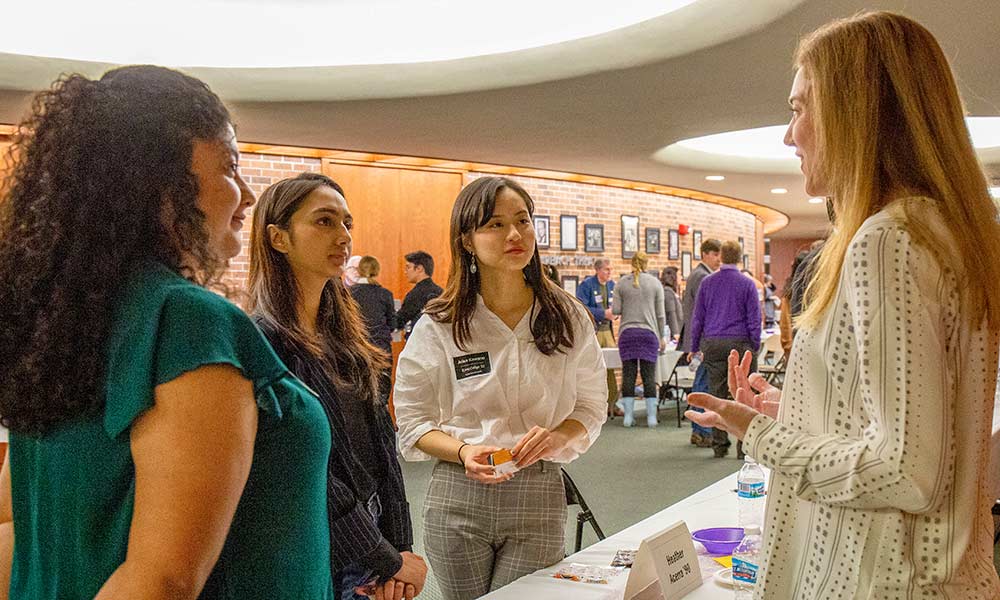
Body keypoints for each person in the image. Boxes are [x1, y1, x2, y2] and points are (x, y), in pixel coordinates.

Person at [686, 11, 1000, 598]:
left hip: (879, 578)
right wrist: (803, 409)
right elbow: (924, 426)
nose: (789, 134)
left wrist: (758, 432)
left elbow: (904, 474)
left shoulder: (887, 240)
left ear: (854, 110)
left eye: (799, 108)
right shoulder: (947, 231)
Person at [0, 66, 333, 598]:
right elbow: (162, 581)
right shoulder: (186, 320)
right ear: (156, 181)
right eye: (229, 166)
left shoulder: (63, 323)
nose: (247, 196)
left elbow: (17, 529)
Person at [393, 176, 607, 600]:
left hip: (538, 487)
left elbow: (592, 405)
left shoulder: (567, 315)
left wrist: (556, 436)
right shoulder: (440, 323)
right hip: (459, 493)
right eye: (494, 224)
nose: (515, 234)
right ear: (467, 240)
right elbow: (412, 423)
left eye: (523, 221)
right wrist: (463, 451)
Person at [248, 173, 426, 600]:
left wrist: (400, 546)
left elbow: (382, 443)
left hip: (374, 532)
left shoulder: (346, 337)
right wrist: (388, 558)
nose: (343, 236)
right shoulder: (264, 341)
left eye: (347, 223)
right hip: (320, 546)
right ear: (279, 238)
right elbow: (303, 471)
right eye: (324, 222)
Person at [689, 241, 761, 458]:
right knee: (743, 393)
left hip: (714, 343)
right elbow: (754, 318)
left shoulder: (707, 283)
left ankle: (719, 444)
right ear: (740, 258)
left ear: (720, 256)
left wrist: (694, 346)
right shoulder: (747, 284)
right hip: (740, 342)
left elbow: (698, 317)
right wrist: (755, 345)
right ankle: (743, 446)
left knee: (717, 393)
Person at [612, 252, 667, 428]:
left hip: (627, 333)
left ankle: (628, 417)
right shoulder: (655, 283)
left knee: (628, 375)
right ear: (646, 263)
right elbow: (660, 315)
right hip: (648, 334)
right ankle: (651, 418)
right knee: (648, 376)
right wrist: (662, 337)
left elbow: (615, 310)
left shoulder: (622, 283)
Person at [679, 238, 721, 447]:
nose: (718, 260)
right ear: (705, 254)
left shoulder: (698, 275)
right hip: (704, 339)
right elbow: (701, 313)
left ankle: (699, 429)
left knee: (701, 382)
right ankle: (702, 429)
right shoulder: (703, 277)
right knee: (703, 384)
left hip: (700, 338)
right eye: (715, 255)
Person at [349, 256, 397, 403]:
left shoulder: (349, 293)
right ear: (377, 271)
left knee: (358, 392)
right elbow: (393, 324)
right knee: (382, 394)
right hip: (381, 347)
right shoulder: (385, 294)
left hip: (357, 347)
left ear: (359, 270)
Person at [576, 258, 620, 418]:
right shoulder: (587, 285)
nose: (609, 273)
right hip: (593, 331)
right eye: (607, 269)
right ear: (598, 270)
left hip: (607, 331)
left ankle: (613, 404)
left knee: (610, 368)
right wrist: (603, 314)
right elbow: (581, 307)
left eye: (610, 269)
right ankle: (593, 406)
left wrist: (614, 313)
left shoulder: (611, 286)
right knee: (593, 369)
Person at [395, 250, 442, 339]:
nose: (405, 272)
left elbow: (399, 321)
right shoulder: (441, 291)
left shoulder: (416, 294)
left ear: (419, 268)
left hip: (420, 343)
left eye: (408, 267)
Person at [660, 266, 682, 342]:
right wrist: (676, 333)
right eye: (679, 275)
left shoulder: (672, 292)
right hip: (673, 335)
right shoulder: (668, 292)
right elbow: (671, 313)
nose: (681, 277)